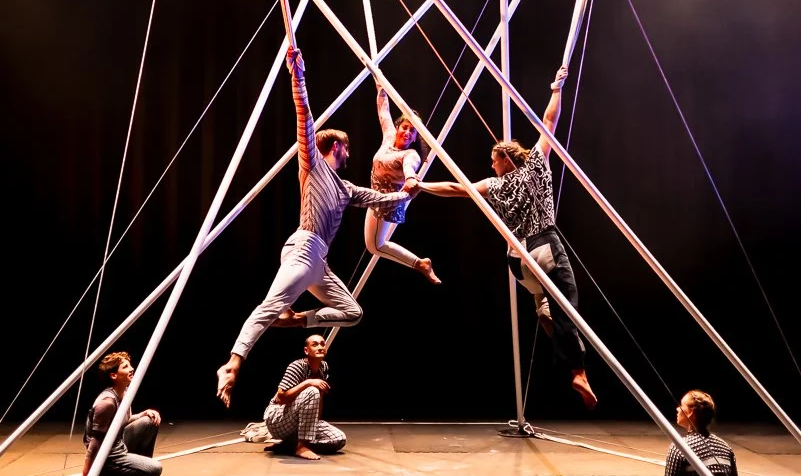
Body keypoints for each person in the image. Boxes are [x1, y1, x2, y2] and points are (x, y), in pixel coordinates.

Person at [217, 46, 419, 407]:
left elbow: (381, 199)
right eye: (347, 148)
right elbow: (304, 115)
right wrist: (298, 76)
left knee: (352, 313)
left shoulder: (346, 188)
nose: (350, 154)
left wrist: (407, 192)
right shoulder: (312, 165)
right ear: (336, 146)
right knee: (269, 306)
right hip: (304, 248)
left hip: (318, 261)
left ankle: (296, 320)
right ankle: (233, 363)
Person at [409, 63, 597, 410]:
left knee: (543, 299)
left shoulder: (494, 185)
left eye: (494, 161)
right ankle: (579, 371)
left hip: (517, 260)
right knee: (567, 307)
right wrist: (556, 89)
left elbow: (456, 187)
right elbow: (549, 120)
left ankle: (543, 308)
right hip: (544, 246)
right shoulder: (538, 164)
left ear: (506, 160)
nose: (491, 166)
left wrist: (421, 186)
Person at [364, 81, 440, 284]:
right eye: (405, 128)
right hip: (375, 198)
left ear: (415, 137)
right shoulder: (388, 137)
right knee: (374, 244)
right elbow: (383, 111)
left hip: (386, 204)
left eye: (412, 131)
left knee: (375, 246)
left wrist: (410, 178)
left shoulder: (410, 155)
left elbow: (410, 168)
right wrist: (380, 86)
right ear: (398, 128)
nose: (407, 132)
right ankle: (420, 263)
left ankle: (420, 263)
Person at [82, 351, 162, 476]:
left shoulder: (125, 392)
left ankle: (136, 465)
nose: (131, 369)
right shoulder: (106, 403)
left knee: (149, 421)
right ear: (114, 375)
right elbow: (94, 443)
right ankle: (104, 472)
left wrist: (143, 414)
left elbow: (124, 421)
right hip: (108, 456)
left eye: (130, 365)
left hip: (119, 444)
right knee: (155, 468)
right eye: (125, 367)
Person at [263, 333, 346, 461]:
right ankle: (302, 446)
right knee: (312, 390)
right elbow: (281, 398)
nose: (320, 347)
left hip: (299, 421)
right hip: (278, 418)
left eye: (322, 344)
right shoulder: (297, 366)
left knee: (339, 439)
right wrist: (308, 382)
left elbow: (320, 398)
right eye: (315, 345)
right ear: (306, 350)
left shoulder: (323, 367)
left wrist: (315, 422)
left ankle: (289, 446)